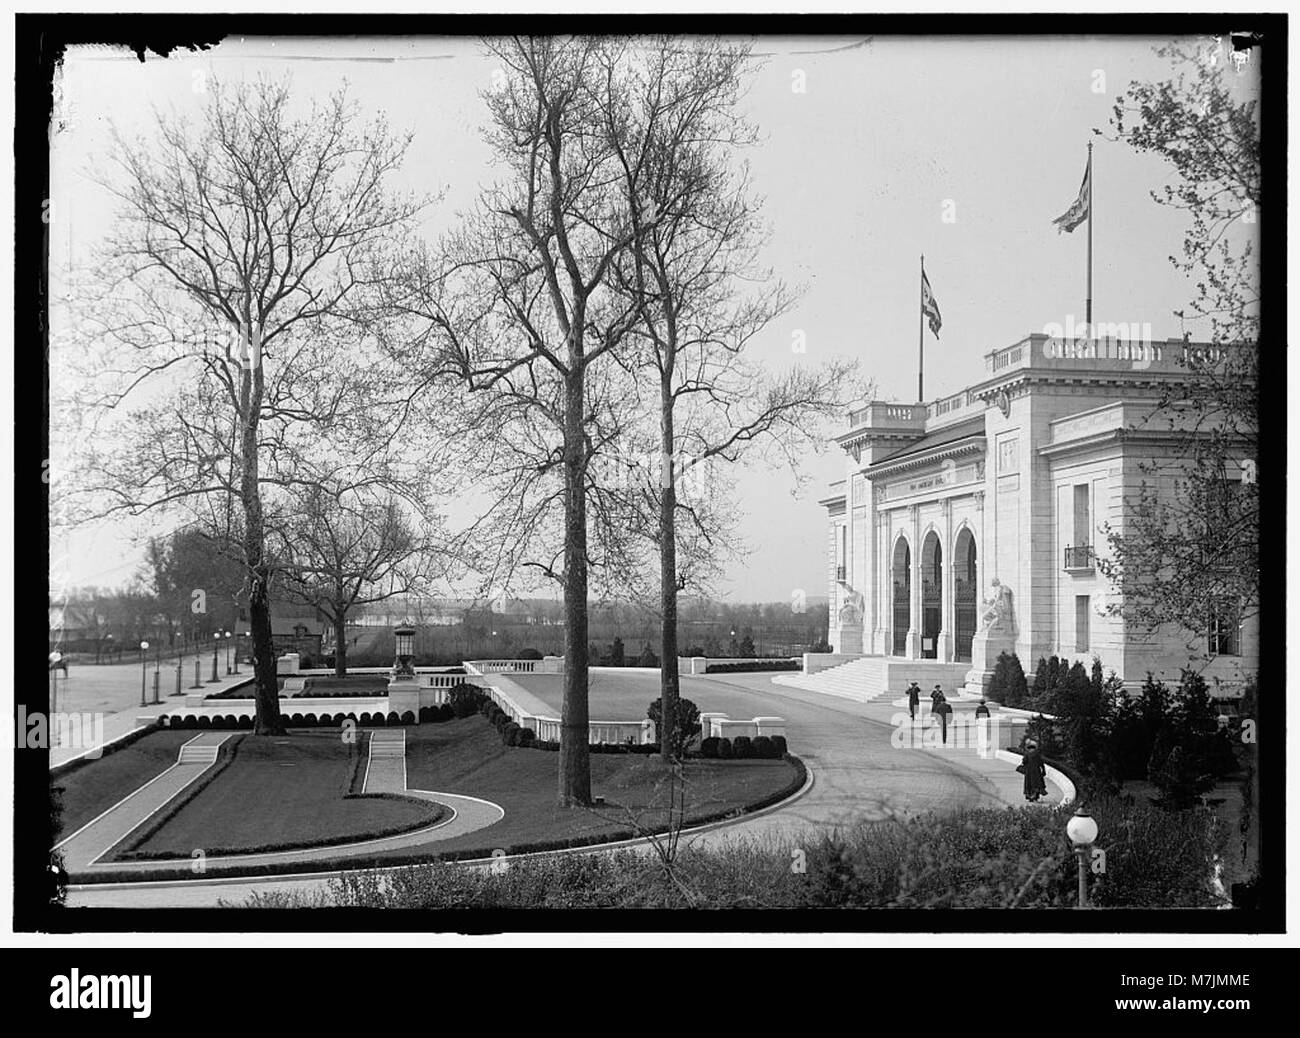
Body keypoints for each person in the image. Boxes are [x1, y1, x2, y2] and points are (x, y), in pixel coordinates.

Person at [1018, 738, 1049, 802]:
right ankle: (1035, 797)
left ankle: (1030, 797)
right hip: (1037, 772)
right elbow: (1041, 763)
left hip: (1029, 772)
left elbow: (1024, 762)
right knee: (1037, 784)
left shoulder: (1027, 754)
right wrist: (1043, 771)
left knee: (1029, 784)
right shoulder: (1037, 754)